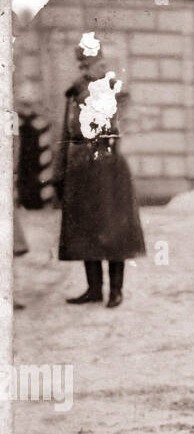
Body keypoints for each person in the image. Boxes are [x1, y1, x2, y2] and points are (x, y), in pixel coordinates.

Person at [53, 37, 145, 308]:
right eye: (82, 65)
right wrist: (60, 170)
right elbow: (65, 132)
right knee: (85, 229)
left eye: (91, 63)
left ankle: (116, 290)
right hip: (80, 166)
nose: (85, 69)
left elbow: (128, 119)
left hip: (108, 164)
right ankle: (94, 289)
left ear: (102, 62)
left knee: (114, 228)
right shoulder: (74, 92)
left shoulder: (115, 89)